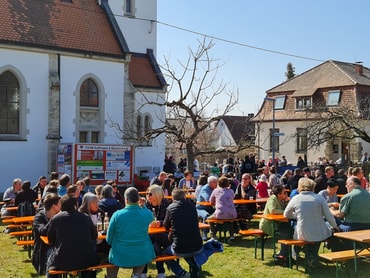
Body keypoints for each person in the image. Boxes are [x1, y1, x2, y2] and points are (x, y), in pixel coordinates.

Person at [284, 178, 338, 269]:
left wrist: (297, 215)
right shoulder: (319, 198)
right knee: (322, 234)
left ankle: (300, 253)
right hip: (319, 232)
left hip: (302, 233)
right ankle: (313, 256)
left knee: (298, 231)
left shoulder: (296, 199)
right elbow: (329, 216)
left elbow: (286, 214)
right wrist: (335, 226)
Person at [106, 187, 156, 278]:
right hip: (142, 253)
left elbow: (109, 239)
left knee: (111, 261)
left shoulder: (117, 215)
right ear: (138, 199)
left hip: (120, 254)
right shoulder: (146, 214)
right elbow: (151, 216)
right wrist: (143, 206)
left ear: (126, 199)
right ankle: (136, 274)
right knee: (143, 256)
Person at [47, 194, 100, 277]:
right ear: (75, 206)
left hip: (63, 261)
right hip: (86, 259)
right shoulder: (85, 217)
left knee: (50, 260)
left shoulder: (56, 219)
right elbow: (95, 235)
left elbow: (50, 240)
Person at [142, 185, 182, 278]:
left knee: (156, 245)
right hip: (149, 234)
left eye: (150, 194)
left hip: (163, 234)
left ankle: (145, 272)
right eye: (147, 193)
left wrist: (159, 223)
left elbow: (168, 220)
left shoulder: (165, 204)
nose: (148, 196)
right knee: (156, 246)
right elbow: (142, 219)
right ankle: (160, 272)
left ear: (157, 194)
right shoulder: (146, 205)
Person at [163, 189, 203, 278]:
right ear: (184, 197)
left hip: (180, 248)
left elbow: (165, 226)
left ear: (173, 198)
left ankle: (180, 273)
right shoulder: (192, 206)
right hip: (198, 245)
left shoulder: (170, 208)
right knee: (186, 245)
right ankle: (194, 265)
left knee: (164, 253)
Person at [259, 184, 292, 263]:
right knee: (286, 235)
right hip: (269, 225)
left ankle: (285, 254)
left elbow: (287, 209)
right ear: (279, 194)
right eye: (284, 192)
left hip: (279, 224)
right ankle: (282, 255)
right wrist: (285, 212)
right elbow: (272, 211)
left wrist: (287, 201)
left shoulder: (282, 200)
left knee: (291, 231)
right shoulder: (272, 199)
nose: (286, 194)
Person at [32, 193, 61, 275]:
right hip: (43, 249)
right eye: (59, 203)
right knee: (52, 253)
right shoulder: (39, 218)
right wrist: (53, 219)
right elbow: (43, 232)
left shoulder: (61, 216)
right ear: (53, 206)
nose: (61, 205)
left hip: (58, 245)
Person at [208, 176, 237, 242]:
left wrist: (216, 202)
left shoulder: (216, 191)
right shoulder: (231, 191)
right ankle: (231, 235)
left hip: (220, 213)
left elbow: (211, 201)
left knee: (209, 219)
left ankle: (213, 235)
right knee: (229, 220)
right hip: (232, 213)